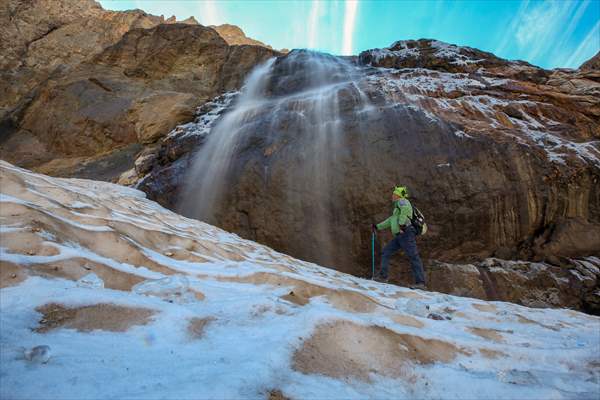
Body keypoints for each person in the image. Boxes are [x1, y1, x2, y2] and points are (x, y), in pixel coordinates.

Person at [371, 186, 426, 289]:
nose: (392, 195)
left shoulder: (402, 201)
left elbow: (406, 210)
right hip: (400, 236)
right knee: (386, 251)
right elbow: (390, 220)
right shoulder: (396, 209)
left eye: (394, 194)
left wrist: (402, 224)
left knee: (413, 256)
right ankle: (383, 277)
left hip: (406, 233)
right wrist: (377, 226)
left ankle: (421, 283)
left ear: (398, 195)